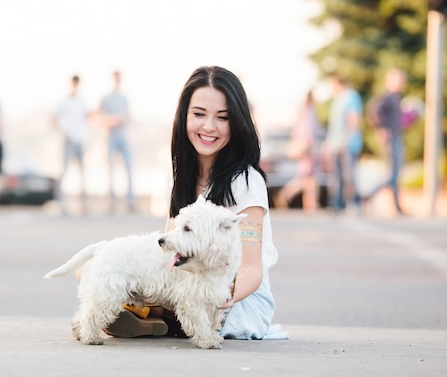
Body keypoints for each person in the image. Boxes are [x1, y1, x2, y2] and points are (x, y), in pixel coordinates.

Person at [105, 66, 288, 340]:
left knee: (177, 294)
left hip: (232, 297)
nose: (209, 126)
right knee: (98, 269)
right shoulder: (183, 174)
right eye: (199, 114)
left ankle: (151, 317)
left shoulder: (246, 181)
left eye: (222, 118)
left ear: (237, 123)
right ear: (185, 116)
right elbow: (168, 249)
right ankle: (151, 318)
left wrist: (217, 298)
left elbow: (251, 269)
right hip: (186, 285)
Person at [363, 68, 407, 215]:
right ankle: (369, 194)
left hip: (396, 136)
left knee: (396, 174)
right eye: (399, 79)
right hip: (391, 139)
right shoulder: (387, 96)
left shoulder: (396, 97)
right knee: (393, 175)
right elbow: (373, 111)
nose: (402, 83)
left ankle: (397, 207)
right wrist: (381, 129)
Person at [274, 91, 320, 212]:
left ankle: (310, 205)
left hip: (304, 149)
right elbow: (308, 135)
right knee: (305, 178)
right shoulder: (309, 113)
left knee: (308, 180)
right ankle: (285, 196)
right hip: (307, 150)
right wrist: (309, 149)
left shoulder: (303, 113)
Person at [324, 73, 363, 213]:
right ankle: (337, 203)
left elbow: (353, 120)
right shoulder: (336, 100)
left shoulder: (350, 97)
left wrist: (345, 141)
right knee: (337, 176)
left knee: (349, 175)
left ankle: (356, 203)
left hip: (347, 144)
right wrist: (328, 143)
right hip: (335, 145)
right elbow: (334, 126)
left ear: (338, 83)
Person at [98, 70, 134, 210]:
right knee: (110, 170)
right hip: (110, 137)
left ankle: (130, 201)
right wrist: (109, 120)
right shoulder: (105, 98)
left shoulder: (124, 98)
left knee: (128, 168)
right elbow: (98, 117)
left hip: (123, 137)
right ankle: (111, 200)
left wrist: (121, 119)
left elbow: (129, 116)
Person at [54, 75, 89, 213]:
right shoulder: (63, 101)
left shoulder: (82, 101)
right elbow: (55, 119)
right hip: (67, 141)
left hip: (79, 140)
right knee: (64, 172)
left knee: (82, 173)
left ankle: (83, 204)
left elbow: (86, 117)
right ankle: (61, 202)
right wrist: (64, 134)